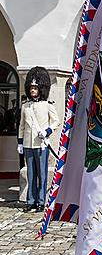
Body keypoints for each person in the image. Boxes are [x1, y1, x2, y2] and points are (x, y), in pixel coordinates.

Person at [18, 67, 60, 212]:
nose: (32, 91)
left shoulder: (47, 106)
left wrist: (47, 131)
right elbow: (22, 126)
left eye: (35, 88)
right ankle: (31, 201)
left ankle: (41, 201)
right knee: (31, 174)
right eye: (31, 88)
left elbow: (56, 121)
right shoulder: (25, 107)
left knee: (42, 174)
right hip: (28, 144)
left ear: (40, 89)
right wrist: (20, 142)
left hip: (41, 144)